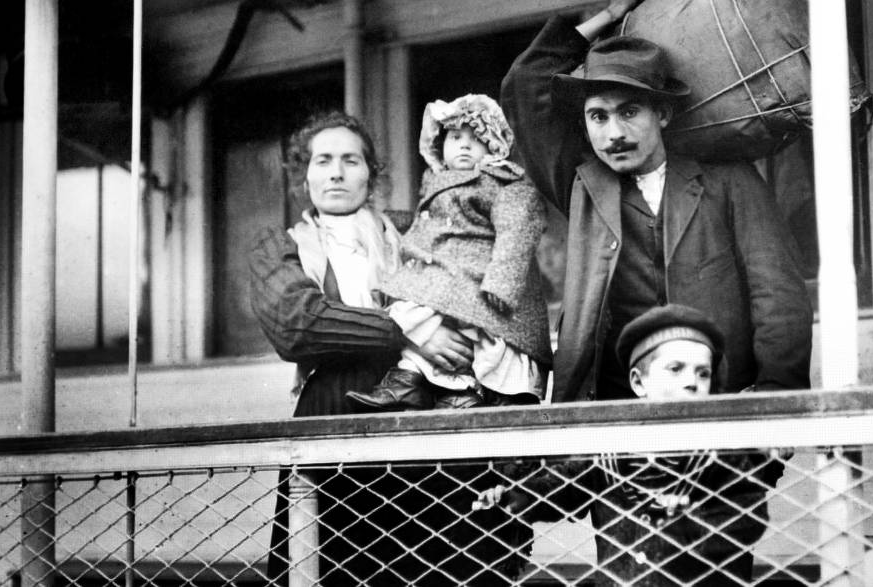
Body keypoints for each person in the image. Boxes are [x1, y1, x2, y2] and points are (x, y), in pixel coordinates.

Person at [250, 111, 527, 585]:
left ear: (371, 173)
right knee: (337, 565)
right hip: (334, 417)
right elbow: (296, 324)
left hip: (427, 414)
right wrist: (411, 328)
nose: (336, 172)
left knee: (431, 565)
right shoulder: (281, 245)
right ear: (304, 174)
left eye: (351, 160)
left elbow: (484, 270)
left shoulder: (414, 229)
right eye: (322, 161)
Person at [500, 0, 812, 406]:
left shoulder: (730, 181)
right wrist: (608, 15)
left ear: (662, 115)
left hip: (719, 407)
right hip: (608, 418)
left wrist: (776, 398)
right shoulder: (581, 185)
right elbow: (524, 82)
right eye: (598, 116)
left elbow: (778, 297)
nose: (613, 133)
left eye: (629, 112)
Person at [472, 304, 781, 586]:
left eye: (703, 373)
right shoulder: (616, 448)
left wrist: (689, 524)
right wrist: (518, 497)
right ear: (638, 382)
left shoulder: (720, 456)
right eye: (676, 369)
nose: (692, 382)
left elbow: (747, 515)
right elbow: (567, 485)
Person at [348, 94, 551, 411]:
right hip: (446, 275)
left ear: (494, 147)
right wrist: (392, 223)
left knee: (495, 347)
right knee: (412, 307)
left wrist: (502, 281)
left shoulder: (502, 181)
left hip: (483, 277)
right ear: (439, 146)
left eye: (477, 139)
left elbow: (519, 226)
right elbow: (425, 223)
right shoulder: (435, 182)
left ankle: (490, 397)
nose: (465, 146)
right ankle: (412, 382)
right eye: (456, 138)